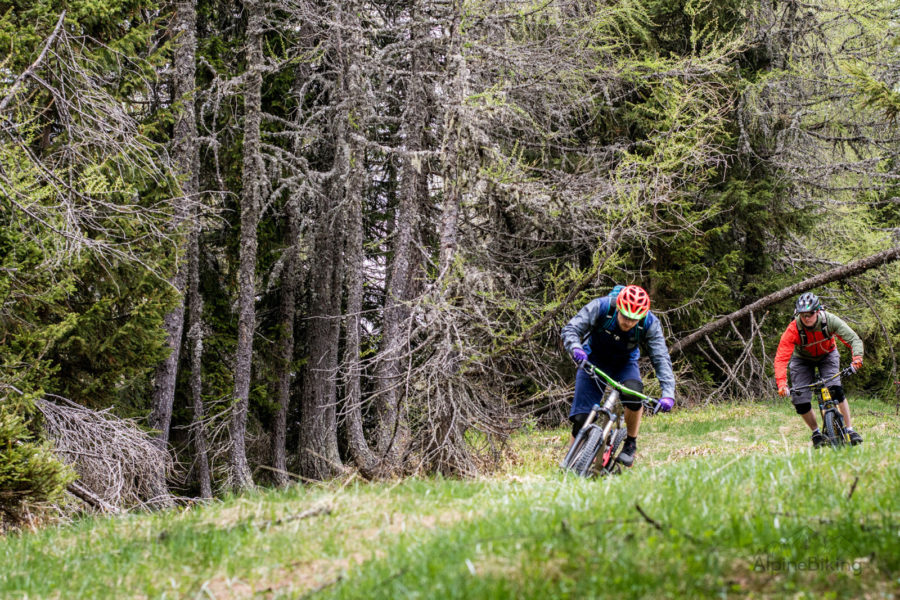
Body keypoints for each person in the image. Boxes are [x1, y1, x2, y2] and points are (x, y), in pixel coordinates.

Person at [560, 284, 676, 466]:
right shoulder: (602, 307)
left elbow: (661, 358)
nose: (628, 322)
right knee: (582, 418)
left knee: (633, 393)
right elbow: (571, 328)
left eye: (634, 319)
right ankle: (571, 462)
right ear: (619, 307)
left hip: (625, 363)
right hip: (593, 360)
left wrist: (668, 393)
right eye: (625, 316)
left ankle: (630, 443)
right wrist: (575, 347)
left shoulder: (650, 323)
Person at [773, 292, 864, 447]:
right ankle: (816, 433)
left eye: (810, 314)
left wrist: (857, 359)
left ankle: (849, 429)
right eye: (803, 315)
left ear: (818, 311)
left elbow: (853, 338)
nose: (806, 318)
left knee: (836, 390)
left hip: (828, 355)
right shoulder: (794, 328)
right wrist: (782, 384)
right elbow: (781, 357)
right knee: (800, 401)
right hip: (802, 360)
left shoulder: (829, 320)